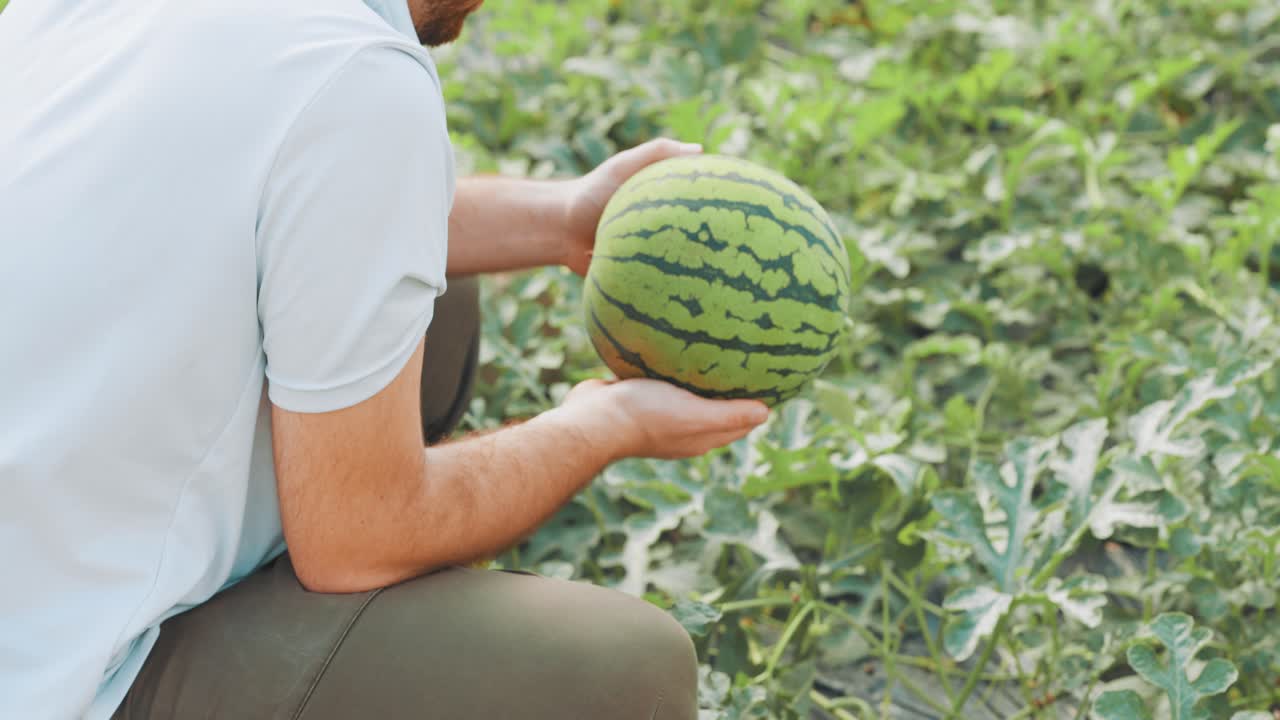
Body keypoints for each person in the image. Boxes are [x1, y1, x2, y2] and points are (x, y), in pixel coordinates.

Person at [0, 0, 773, 718]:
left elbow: (289, 200)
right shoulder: (358, 82)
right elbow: (358, 539)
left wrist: (562, 219)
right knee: (616, 666)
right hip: (51, 680)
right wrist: (602, 423)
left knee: (435, 301)